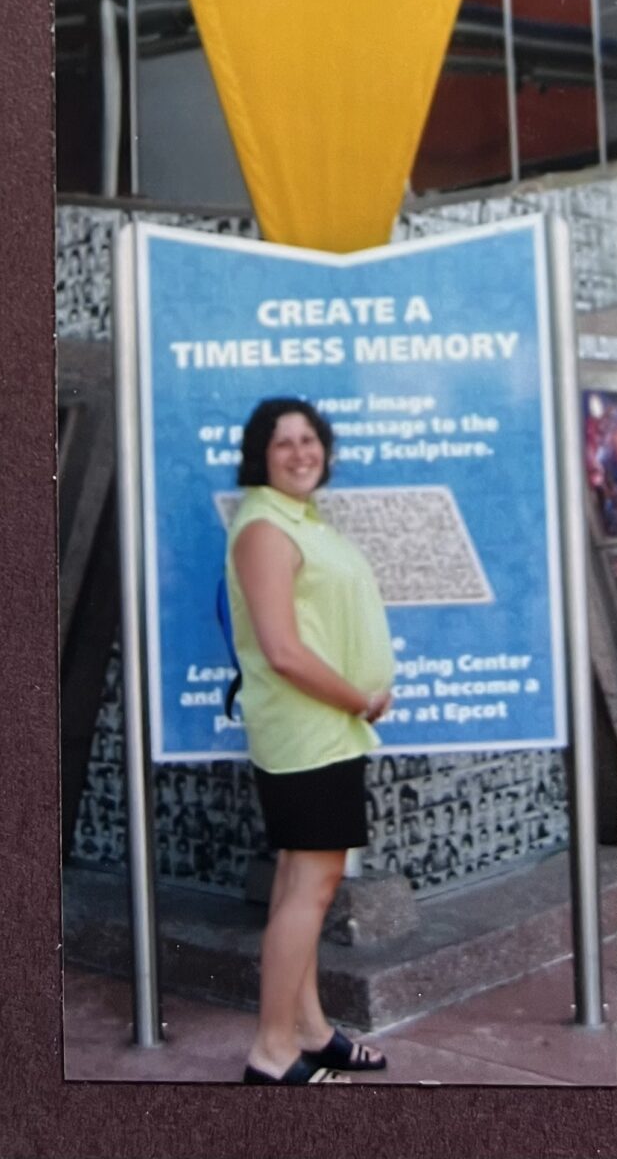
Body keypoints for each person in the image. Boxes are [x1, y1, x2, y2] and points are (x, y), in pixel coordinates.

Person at [226, 395, 396, 1086]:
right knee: (313, 886)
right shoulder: (265, 526)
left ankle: (312, 1029)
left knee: (301, 880)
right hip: (309, 734)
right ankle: (271, 1051)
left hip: (329, 730)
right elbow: (283, 651)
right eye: (282, 443)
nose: (300, 453)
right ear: (260, 457)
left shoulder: (302, 520)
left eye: (309, 440)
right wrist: (361, 698)